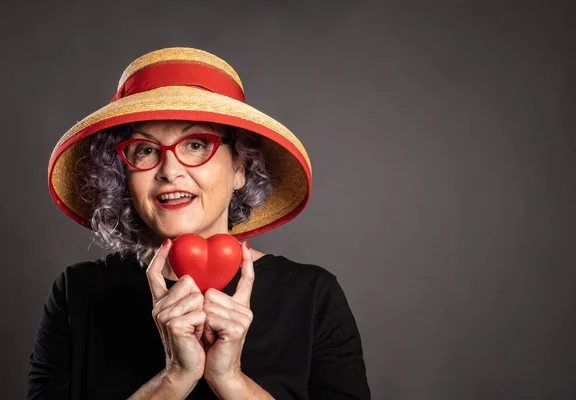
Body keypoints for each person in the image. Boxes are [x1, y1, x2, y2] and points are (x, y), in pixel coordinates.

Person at [28, 47, 371, 399]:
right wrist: (175, 377)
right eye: (145, 150)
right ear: (122, 173)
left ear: (240, 167)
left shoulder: (312, 296)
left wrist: (229, 378)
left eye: (195, 144)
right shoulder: (77, 293)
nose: (170, 170)